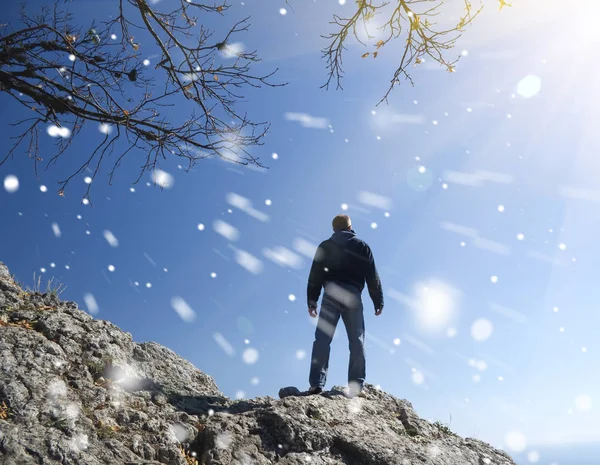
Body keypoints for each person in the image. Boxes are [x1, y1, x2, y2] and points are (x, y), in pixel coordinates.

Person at [306, 214, 384, 397]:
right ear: (350, 227)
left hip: (331, 293)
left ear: (334, 229)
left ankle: (316, 384)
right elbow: (372, 276)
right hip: (353, 295)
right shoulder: (361, 246)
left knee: (322, 339)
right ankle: (356, 385)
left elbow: (315, 275)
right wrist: (378, 300)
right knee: (356, 340)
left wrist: (312, 300)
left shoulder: (325, 246)